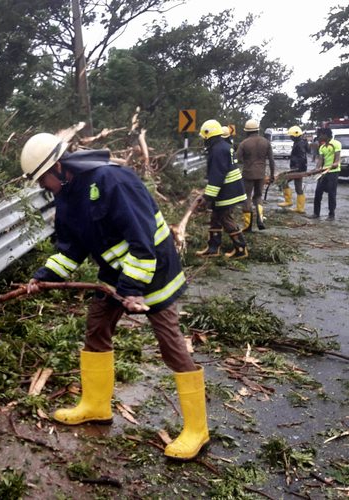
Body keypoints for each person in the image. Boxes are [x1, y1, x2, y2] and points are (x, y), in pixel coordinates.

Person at [20, 132, 209, 460]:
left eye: (43, 180)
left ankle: (197, 429)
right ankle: (95, 405)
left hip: (153, 269)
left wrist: (132, 289)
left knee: (170, 344)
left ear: (60, 168)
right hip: (114, 275)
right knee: (96, 328)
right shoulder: (66, 196)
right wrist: (43, 277)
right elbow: (71, 248)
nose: (43, 187)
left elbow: (142, 239)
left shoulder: (112, 181)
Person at [195, 120, 248, 259]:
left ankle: (241, 249)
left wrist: (207, 197)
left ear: (209, 135)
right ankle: (213, 248)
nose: (203, 140)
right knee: (215, 218)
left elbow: (217, 176)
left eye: (204, 137)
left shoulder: (218, 150)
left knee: (225, 219)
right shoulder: (223, 146)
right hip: (228, 189)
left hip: (227, 191)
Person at [235, 119, 275, 231]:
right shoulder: (266, 142)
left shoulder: (244, 143)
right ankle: (260, 219)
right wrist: (271, 175)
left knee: (247, 197)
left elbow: (236, 160)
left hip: (248, 174)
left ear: (247, 131)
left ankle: (247, 226)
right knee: (258, 196)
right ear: (258, 129)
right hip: (261, 174)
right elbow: (271, 160)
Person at [308, 127, 342, 220]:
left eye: (320, 135)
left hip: (333, 172)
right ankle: (316, 213)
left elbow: (337, 159)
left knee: (331, 193)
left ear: (326, 135)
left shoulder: (336, 144)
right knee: (318, 192)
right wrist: (316, 169)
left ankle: (331, 215)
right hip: (323, 173)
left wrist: (335, 164)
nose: (319, 137)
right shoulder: (322, 147)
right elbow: (320, 161)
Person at [278, 125, 307, 213]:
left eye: (291, 136)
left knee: (283, 181)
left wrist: (296, 168)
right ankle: (300, 208)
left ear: (295, 136)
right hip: (298, 168)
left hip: (298, 169)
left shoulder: (299, 144)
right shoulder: (299, 142)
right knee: (298, 187)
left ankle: (288, 201)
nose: (290, 137)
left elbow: (302, 157)